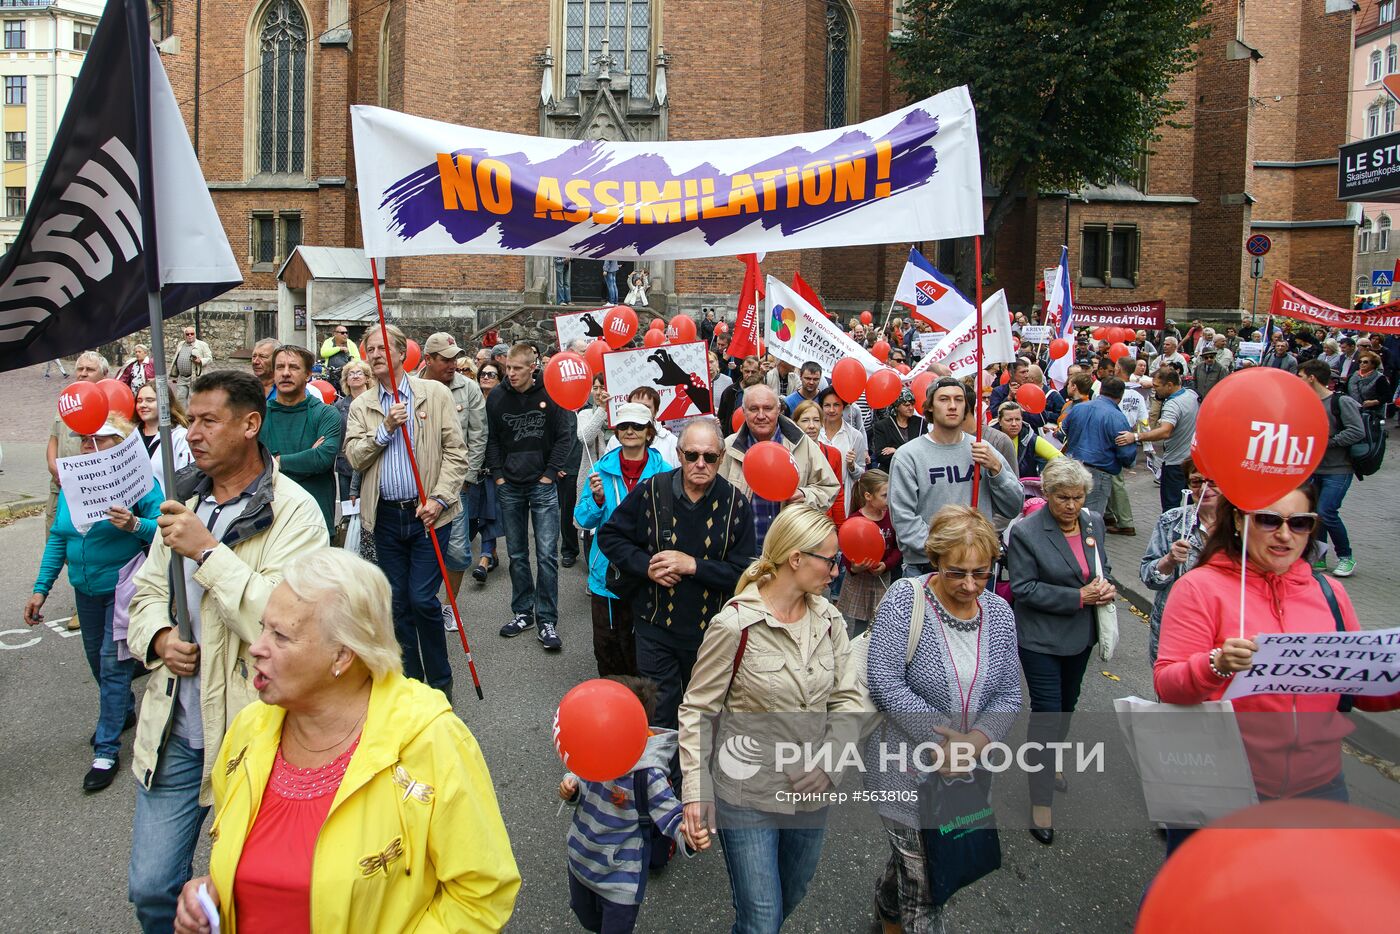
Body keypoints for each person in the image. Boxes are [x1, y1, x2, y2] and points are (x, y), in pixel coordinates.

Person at [170, 548, 520, 933]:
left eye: (281, 635)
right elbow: (242, 859)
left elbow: (481, 892)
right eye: (263, 627)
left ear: (342, 656)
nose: (256, 647)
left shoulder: (430, 740)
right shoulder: (249, 729)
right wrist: (211, 895)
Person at [125, 369, 329, 931]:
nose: (192, 433)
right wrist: (160, 639)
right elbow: (145, 594)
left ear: (249, 425)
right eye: (189, 420)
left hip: (251, 734)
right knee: (151, 888)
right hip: (173, 727)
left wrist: (208, 550)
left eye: (208, 420)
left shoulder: (295, 512)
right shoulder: (181, 498)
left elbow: (284, 621)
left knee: (242, 893)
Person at [1153, 484, 1400, 855]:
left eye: (1299, 523)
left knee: (1307, 905)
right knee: (1208, 906)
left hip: (1319, 787)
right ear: (1238, 520)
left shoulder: (1330, 593)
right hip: (1222, 785)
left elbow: (1359, 691)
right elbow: (1168, 686)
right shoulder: (1200, 588)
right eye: (1269, 520)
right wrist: (1214, 665)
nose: (1285, 535)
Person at [677, 506, 863, 934]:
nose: (836, 571)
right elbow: (697, 710)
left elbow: (849, 699)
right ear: (796, 559)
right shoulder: (735, 626)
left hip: (809, 794)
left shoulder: (830, 621)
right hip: (747, 795)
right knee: (761, 920)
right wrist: (696, 789)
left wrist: (831, 764)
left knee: (790, 895)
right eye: (829, 560)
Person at [865, 505, 1022, 932]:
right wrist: (943, 744)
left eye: (982, 572)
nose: (970, 585)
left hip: (963, 774)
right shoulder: (906, 599)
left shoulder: (1000, 614)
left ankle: (885, 905)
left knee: (915, 860)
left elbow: (1010, 692)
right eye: (957, 573)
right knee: (928, 883)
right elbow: (885, 682)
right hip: (901, 770)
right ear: (935, 561)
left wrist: (978, 741)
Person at [25, 415, 165, 791]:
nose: (89, 446)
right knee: (97, 663)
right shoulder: (73, 485)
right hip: (84, 591)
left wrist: (134, 524)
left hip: (122, 588)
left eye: (98, 440)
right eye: (84, 441)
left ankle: (106, 750)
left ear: (119, 444)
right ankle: (121, 712)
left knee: (112, 663)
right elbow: (59, 538)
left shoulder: (141, 483)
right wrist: (41, 589)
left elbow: (165, 531)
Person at [599, 419, 755, 743]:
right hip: (655, 626)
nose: (700, 464)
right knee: (660, 716)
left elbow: (743, 572)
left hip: (710, 634)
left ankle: (698, 786)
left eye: (709, 457)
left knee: (704, 717)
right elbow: (611, 535)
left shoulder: (736, 505)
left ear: (722, 458)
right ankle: (661, 786)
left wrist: (694, 566)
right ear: (680, 454)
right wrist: (646, 567)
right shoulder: (651, 491)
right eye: (692, 455)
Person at [345, 325, 469, 697]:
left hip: (429, 515)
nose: (377, 354)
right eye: (370, 349)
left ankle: (441, 683)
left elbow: (456, 453)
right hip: (385, 517)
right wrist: (384, 429)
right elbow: (354, 457)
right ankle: (411, 684)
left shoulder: (433, 394)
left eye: (384, 347)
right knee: (396, 603)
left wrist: (440, 498)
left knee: (422, 599)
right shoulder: (361, 405)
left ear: (403, 353)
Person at [1006, 457, 1115, 845]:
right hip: (1040, 638)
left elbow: (1103, 567)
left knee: (1069, 704)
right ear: (1047, 494)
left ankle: (1048, 762)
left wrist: (1107, 588)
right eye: (1063, 498)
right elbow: (1024, 589)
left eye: (1078, 497)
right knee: (1048, 712)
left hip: (1080, 636)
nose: (1071, 505)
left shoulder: (1093, 522)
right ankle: (1041, 802)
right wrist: (1077, 596)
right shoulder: (1027, 533)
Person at [559, 675, 695, 934]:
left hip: (620, 879)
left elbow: (672, 816)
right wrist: (570, 787)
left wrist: (689, 833)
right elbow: (577, 776)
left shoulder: (648, 776)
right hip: (581, 861)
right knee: (585, 917)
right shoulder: (595, 746)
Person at [888, 378, 1022, 577]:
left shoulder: (982, 449)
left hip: (976, 569)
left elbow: (1013, 506)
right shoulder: (908, 456)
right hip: (928, 569)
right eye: (944, 399)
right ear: (930, 407)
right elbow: (904, 521)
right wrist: (953, 552)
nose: (952, 406)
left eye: (959, 400)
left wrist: (996, 468)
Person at [575, 402, 671, 678]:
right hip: (606, 571)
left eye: (637, 426)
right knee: (607, 644)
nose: (630, 431)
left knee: (641, 644)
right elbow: (582, 520)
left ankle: (641, 710)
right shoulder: (601, 470)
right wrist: (596, 500)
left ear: (649, 432)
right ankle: (611, 706)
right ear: (616, 431)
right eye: (624, 426)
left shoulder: (664, 471)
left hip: (645, 570)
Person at [487, 341, 571, 650]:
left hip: (542, 483)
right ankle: (523, 612)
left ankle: (546, 618)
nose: (510, 374)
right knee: (517, 553)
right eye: (507, 368)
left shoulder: (549, 393)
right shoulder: (497, 397)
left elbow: (565, 436)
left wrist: (550, 473)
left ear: (531, 369)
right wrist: (497, 475)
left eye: (517, 369)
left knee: (547, 553)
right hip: (509, 484)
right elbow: (492, 439)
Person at [419, 333, 488, 625]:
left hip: (455, 486)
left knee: (458, 552)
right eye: (445, 359)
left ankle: (448, 606)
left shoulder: (469, 389)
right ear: (428, 360)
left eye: (454, 358)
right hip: (418, 485)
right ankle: (423, 603)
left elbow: (478, 435)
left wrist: (467, 477)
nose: (452, 364)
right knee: (421, 548)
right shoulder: (411, 386)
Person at [718, 384, 839, 547]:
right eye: (754, 409)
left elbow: (829, 486)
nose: (761, 415)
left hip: (789, 550)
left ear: (779, 409)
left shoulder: (801, 443)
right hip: (742, 553)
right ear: (744, 411)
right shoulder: (728, 448)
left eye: (767, 408)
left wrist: (805, 495)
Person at [260, 345, 344, 536]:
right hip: (271, 523)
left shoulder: (325, 413)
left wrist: (276, 461)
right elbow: (251, 466)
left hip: (314, 522)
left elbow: (323, 458)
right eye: (280, 367)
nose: (286, 373)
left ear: (308, 375)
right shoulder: (259, 415)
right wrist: (307, 457)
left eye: (294, 367)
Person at [1140, 461, 1217, 664]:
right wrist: (1168, 561)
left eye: (1214, 482)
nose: (1204, 488)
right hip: (1175, 630)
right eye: (1196, 482)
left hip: (1220, 632)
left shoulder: (1243, 526)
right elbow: (1148, 577)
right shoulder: (1172, 521)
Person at [1300, 358, 1364, 578]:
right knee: (1315, 514)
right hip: (1314, 468)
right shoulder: (1306, 403)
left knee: (1327, 512)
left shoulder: (1340, 402)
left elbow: (1357, 431)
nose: (1298, 381)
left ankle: (1346, 557)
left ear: (1312, 377)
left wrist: (1328, 441)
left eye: (1301, 376)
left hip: (1338, 468)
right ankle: (1319, 555)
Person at [1117, 366, 1198, 513]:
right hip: (1192, 461)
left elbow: (1165, 431)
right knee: (1192, 507)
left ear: (1169, 385)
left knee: (1170, 508)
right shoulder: (1191, 394)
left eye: (1157, 387)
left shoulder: (1172, 404)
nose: (1155, 390)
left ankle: (1169, 535)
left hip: (1175, 464)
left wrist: (1135, 436)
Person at [47, 350, 107, 533]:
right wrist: (54, 468)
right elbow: (53, 439)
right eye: (80, 369)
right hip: (59, 486)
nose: (83, 373)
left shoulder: (109, 403)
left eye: (90, 369)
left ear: (104, 374)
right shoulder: (67, 401)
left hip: (93, 490)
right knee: (54, 539)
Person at [1061, 375, 1137, 520]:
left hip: (1073, 467)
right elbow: (1126, 453)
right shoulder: (1117, 417)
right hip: (1098, 472)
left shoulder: (1078, 409)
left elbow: (1062, 434)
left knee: (1071, 516)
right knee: (1090, 520)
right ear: (1120, 396)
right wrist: (1126, 462)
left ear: (1100, 390)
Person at [835, 469, 900, 637]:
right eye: (885, 495)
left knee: (883, 621)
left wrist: (886, 564)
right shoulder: (854, 521)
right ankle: (857, 656)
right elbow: (847, 552)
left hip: (882, 578)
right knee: (861, 626)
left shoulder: (892, 517)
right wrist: (855, 568)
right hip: (860, 581)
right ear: (868, 496)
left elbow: (898, 549)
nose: (889, 499)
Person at [467, 360, 504, 583]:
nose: (486, 377)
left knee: (490, 515)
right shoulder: (472, 401)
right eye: (483, 373)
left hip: (494, 468)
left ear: (500, 379)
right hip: (472, 468)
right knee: (472, 517)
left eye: (492, 374)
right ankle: (491, 554)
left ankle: (483, 559)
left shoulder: (504, 404)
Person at [333, 359, 374, 537]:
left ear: (367, 378)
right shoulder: (339, 407)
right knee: (349, 513)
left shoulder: (376, 401)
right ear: (346, 380)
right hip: (346, 466)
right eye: (351, 373)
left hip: (371, 463)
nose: (355, 376)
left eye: (359, 373)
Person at [134, 382, 195, 494]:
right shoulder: (131, 436)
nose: (142, 405)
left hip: (165, 508)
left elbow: (187, 479)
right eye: (139, 401)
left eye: (150, 400)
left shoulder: (180, 437)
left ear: (165, 403)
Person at [817, 386, 867, 516]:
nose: (832, 410)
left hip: (844, 497)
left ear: (843, 407)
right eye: (827, 405)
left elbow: (862, 473)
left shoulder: (855, 436)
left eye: (836, 405)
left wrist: (852, 466)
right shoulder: (814, 432)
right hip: (816, 496)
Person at [995, 400, 1060, 479]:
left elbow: (1059, 458)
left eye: (1018, 419)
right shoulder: (989, 438)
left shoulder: (1031, 438)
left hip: (1024, 489)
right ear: (999, 421)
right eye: (1009, 420)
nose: (1014, 424)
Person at [868, 389, 926, 472]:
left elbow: (923, 450)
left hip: (916, 471)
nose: (911, 408)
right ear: (897, 406)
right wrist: (911, 455)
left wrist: (897, 450)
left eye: (913, 404)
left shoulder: (920, 423)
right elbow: (881, 456)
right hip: (892, 472)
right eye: (906, 405)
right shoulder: (882, 426)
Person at [170, 326, 213, 405]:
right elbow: (176, 359)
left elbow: (210, 358)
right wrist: (175, 374)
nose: (190, 336)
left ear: (195, 335)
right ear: (184, 335)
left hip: (194, 377)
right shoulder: (181, 344)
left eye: (192, 334)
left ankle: (192, 416)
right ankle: (183, 416)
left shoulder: (202, 345)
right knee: (180, 399)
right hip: (182, 377)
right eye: (187, 334)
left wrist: (200, 361)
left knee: (192, 399)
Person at [1347, 350, 1390, 420]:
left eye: (1365, 362)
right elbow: (1343, 389)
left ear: (1373, 364)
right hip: (1353, 411)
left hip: (1373, 413)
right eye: (1360, 362)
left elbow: (1387, 396)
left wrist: (1374, 402)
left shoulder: (1380, 378)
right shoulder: (1353, 375)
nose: (1362, 364)